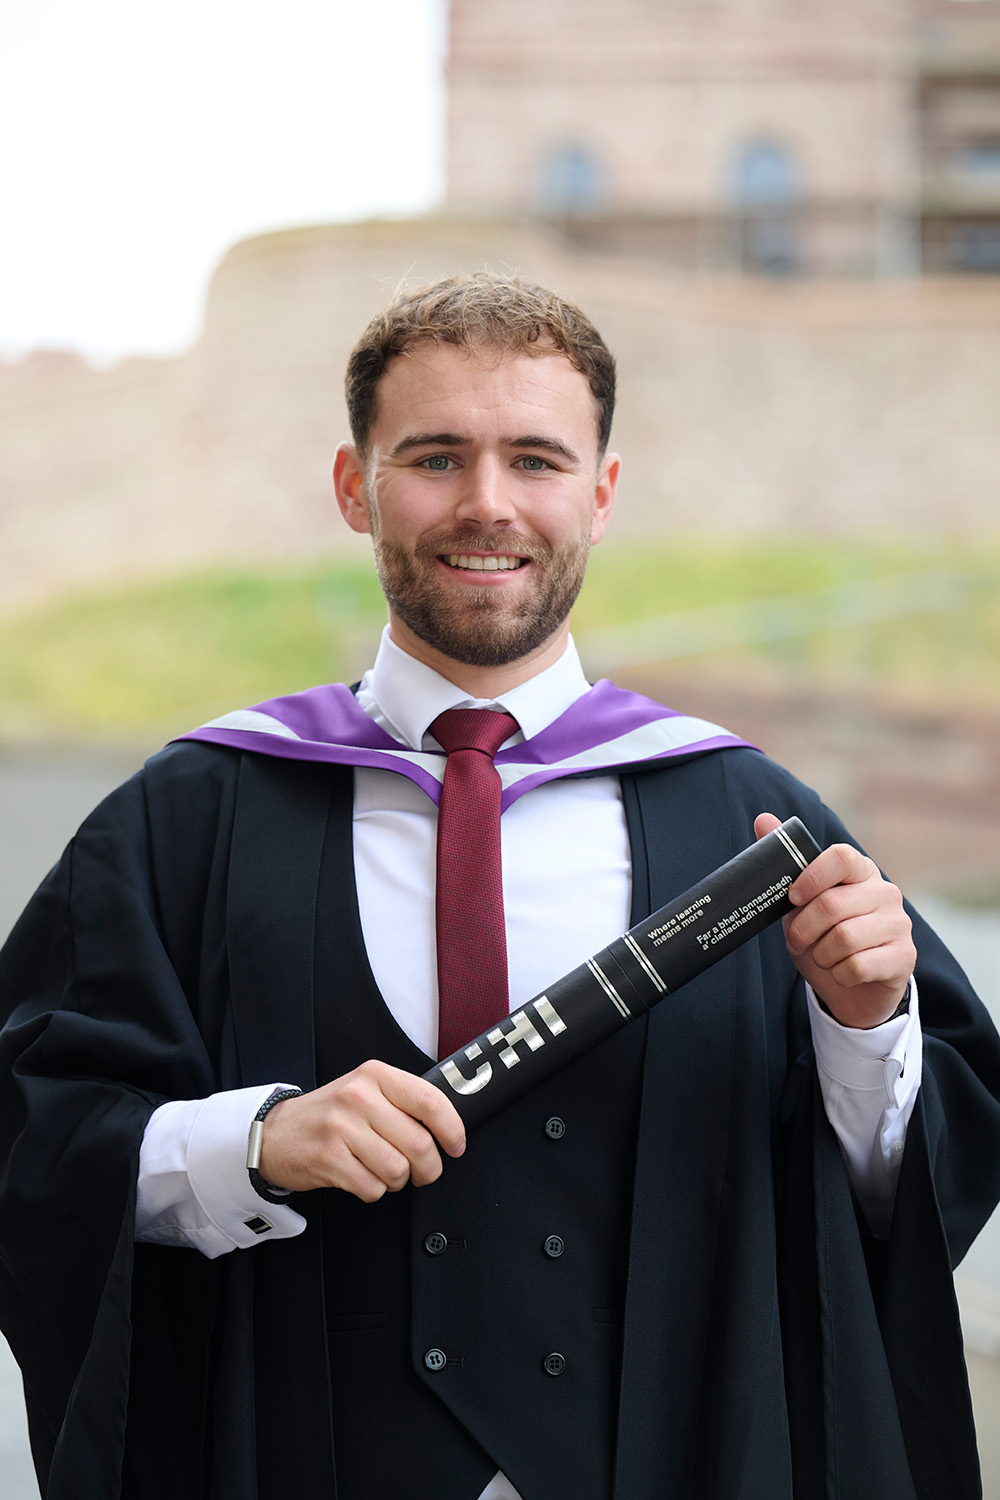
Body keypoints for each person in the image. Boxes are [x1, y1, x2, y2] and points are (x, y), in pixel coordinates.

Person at [1, 273, 998, 1500]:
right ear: (353, 486)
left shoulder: (753, 829)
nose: (486, 505)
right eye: (434, 457)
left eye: (535, 459)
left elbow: (898, 1208)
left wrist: (862, 1030)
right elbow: (30, 1140)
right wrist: (248, 1146)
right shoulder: (191, 818)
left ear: (601, 492)